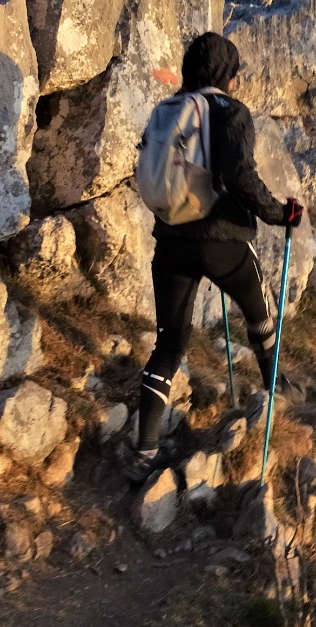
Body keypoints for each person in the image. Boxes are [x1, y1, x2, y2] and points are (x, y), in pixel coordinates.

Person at [123, 31, 304, 483]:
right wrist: (280, 214)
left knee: (168, 345)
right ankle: (273, 394)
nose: (237, 83)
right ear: (227, 76)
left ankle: (143, 453)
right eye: (235, 75)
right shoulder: (229, 111)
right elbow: (239, 175)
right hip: (221, 239)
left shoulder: (170, 111)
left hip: (170, 240)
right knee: (259, 314)